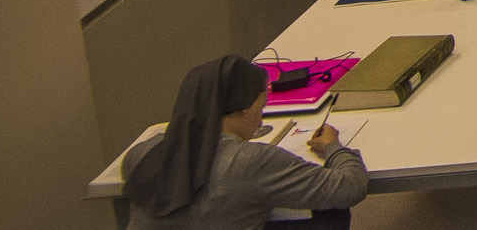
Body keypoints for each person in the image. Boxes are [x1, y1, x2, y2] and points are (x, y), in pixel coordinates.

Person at [118, 53, 367, 226]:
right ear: (244, 108)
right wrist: (333, 147)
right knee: (328, 213)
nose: (260, 121)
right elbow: (350, 187)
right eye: (261, 107)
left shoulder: (142, 155)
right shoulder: (252, 162)